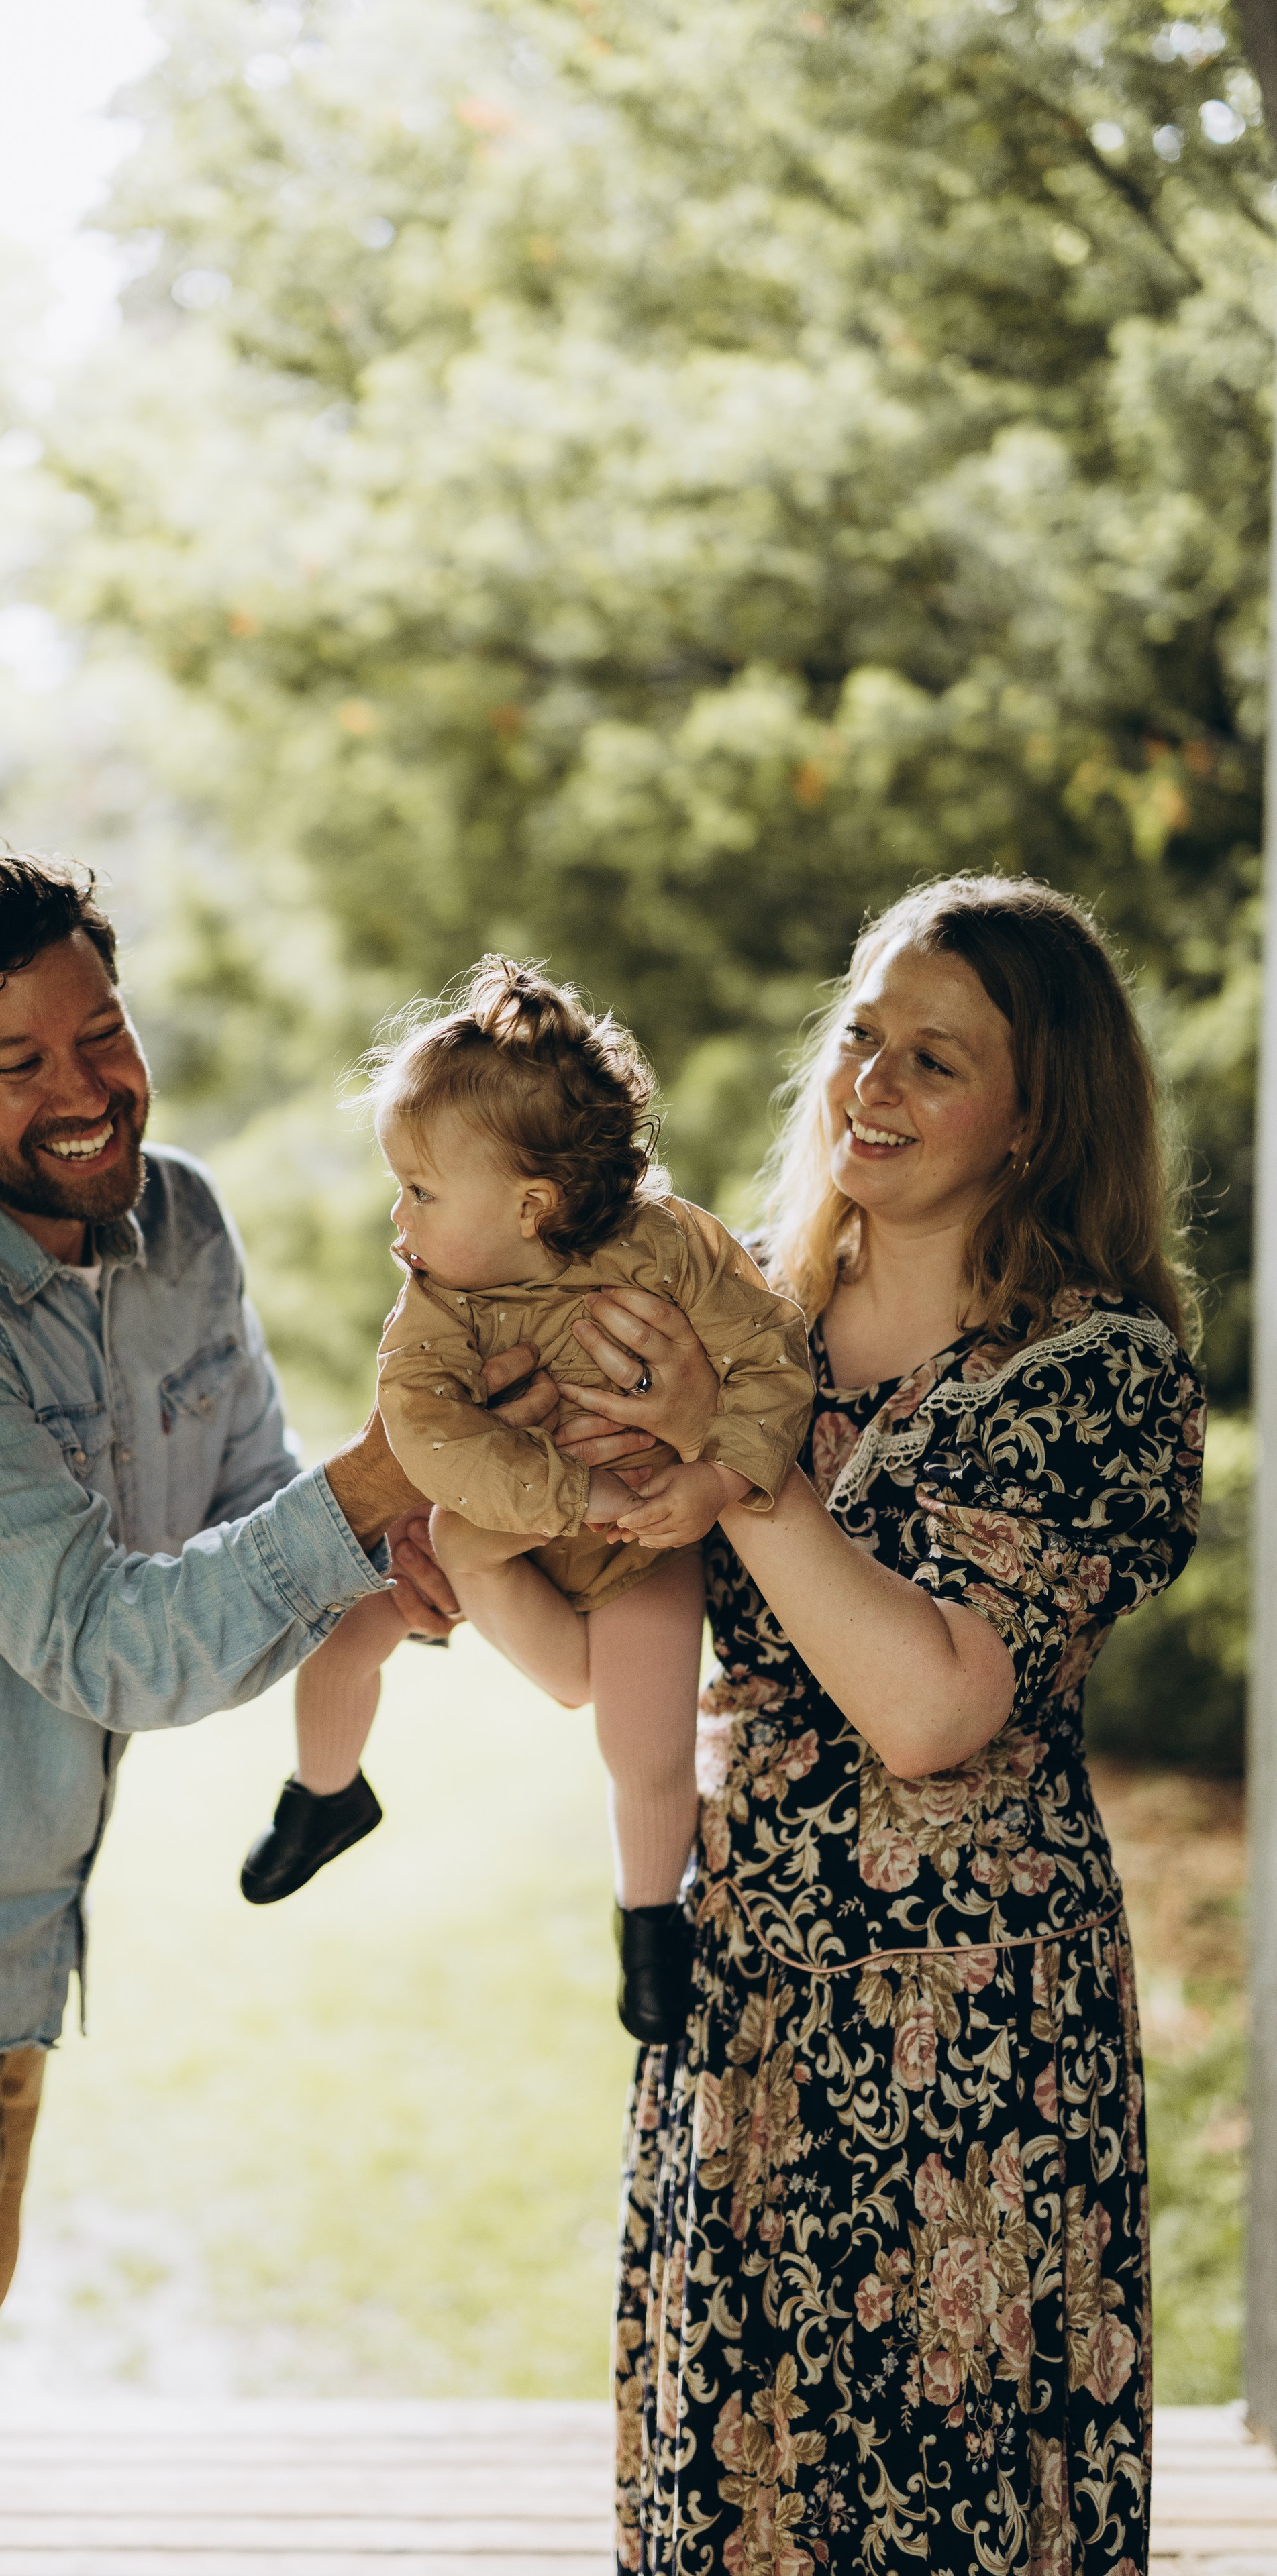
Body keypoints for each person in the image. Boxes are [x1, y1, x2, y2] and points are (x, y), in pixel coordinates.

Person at [0, 847, 508, 2576]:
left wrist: (385, 1552)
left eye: (99, 1034)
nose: (85, 1091)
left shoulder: (178, 1221)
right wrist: (369, 1489)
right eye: (19, 1063)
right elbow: (111, 1644)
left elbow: (253, 1504)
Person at [545, 875, 1202, 2575]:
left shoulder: (1092, 1374)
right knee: (740, 2484)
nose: (870, 1085)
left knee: (952, 2497)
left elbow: (925, 1706)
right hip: (744, 1995)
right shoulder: (738, 1318)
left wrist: (738, 1460)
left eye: (933, 1058)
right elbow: (606, 1658)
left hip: (970, 2044)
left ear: (1035, 1112)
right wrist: (449, 1560)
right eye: (858, 1037)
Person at [239, 957, 813, 2043]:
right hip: (503, 1530)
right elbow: (423, 1424)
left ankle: (651, 1928)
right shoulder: (438, 1303)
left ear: (532, 1205)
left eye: (418, 1191)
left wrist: (714, 1477)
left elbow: (773, 1354)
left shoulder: (673, 1249)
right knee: (342, 1624)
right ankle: (324, 1793)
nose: (396, 1221)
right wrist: (567, 1488)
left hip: (648, 1533)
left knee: (643, 1742)